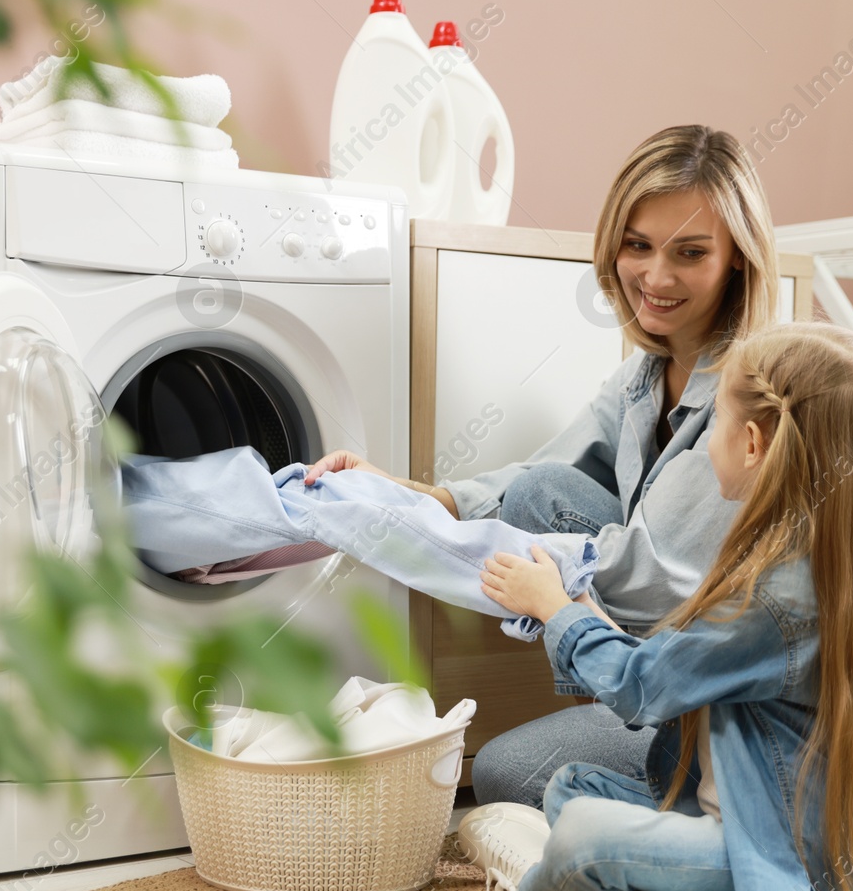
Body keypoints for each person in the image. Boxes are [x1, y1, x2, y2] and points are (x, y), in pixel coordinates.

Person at [460, 321, 853, 891]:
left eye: (715, 421)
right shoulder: (816, 565)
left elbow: (642, 687)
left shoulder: (778, 599)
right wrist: (578, 607)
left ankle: (549, 890)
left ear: (753, 443)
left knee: (581, 837)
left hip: (772, 849)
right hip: (750, 814)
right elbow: (662, 666)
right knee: (571, 784)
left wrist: (554, 610)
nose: (707, 440)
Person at [303, 125, 780, 808]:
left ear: (738, 258)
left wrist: (539, 585)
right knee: (541, 492)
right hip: (647, 664)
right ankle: (628, 737)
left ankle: (702, 788)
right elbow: (536, 477)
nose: (656, 275)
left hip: (709, 696)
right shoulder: (648, 372)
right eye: (638, 245)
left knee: (501, 774)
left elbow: (659, 575)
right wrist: (410, 495)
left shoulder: (751, 393)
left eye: (691, 253)